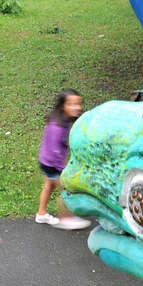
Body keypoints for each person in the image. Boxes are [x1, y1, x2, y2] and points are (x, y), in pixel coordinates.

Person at [35, 88, 92, 230]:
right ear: (62, 106)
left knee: (48, 187)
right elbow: (55, 153)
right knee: (67, 191)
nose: (77, 107)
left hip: (46, 162)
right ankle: (66, 218)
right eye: (72, 104)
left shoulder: (62, 120)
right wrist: (65, 170)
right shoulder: (57, 126)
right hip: (52, 165)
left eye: (78, 104)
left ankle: (41, 214)